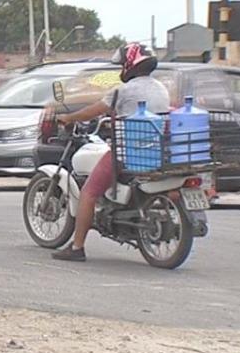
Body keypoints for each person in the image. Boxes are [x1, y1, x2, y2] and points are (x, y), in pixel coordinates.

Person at [51, 43, 169, 262]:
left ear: (129, 64)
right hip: (157, 151)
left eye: (122, 65)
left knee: (88, 192)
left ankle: (77, 248)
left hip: (127, 152)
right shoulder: (161, 88)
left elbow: (93, 111)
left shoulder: (123, 90)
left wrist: (68, 118)